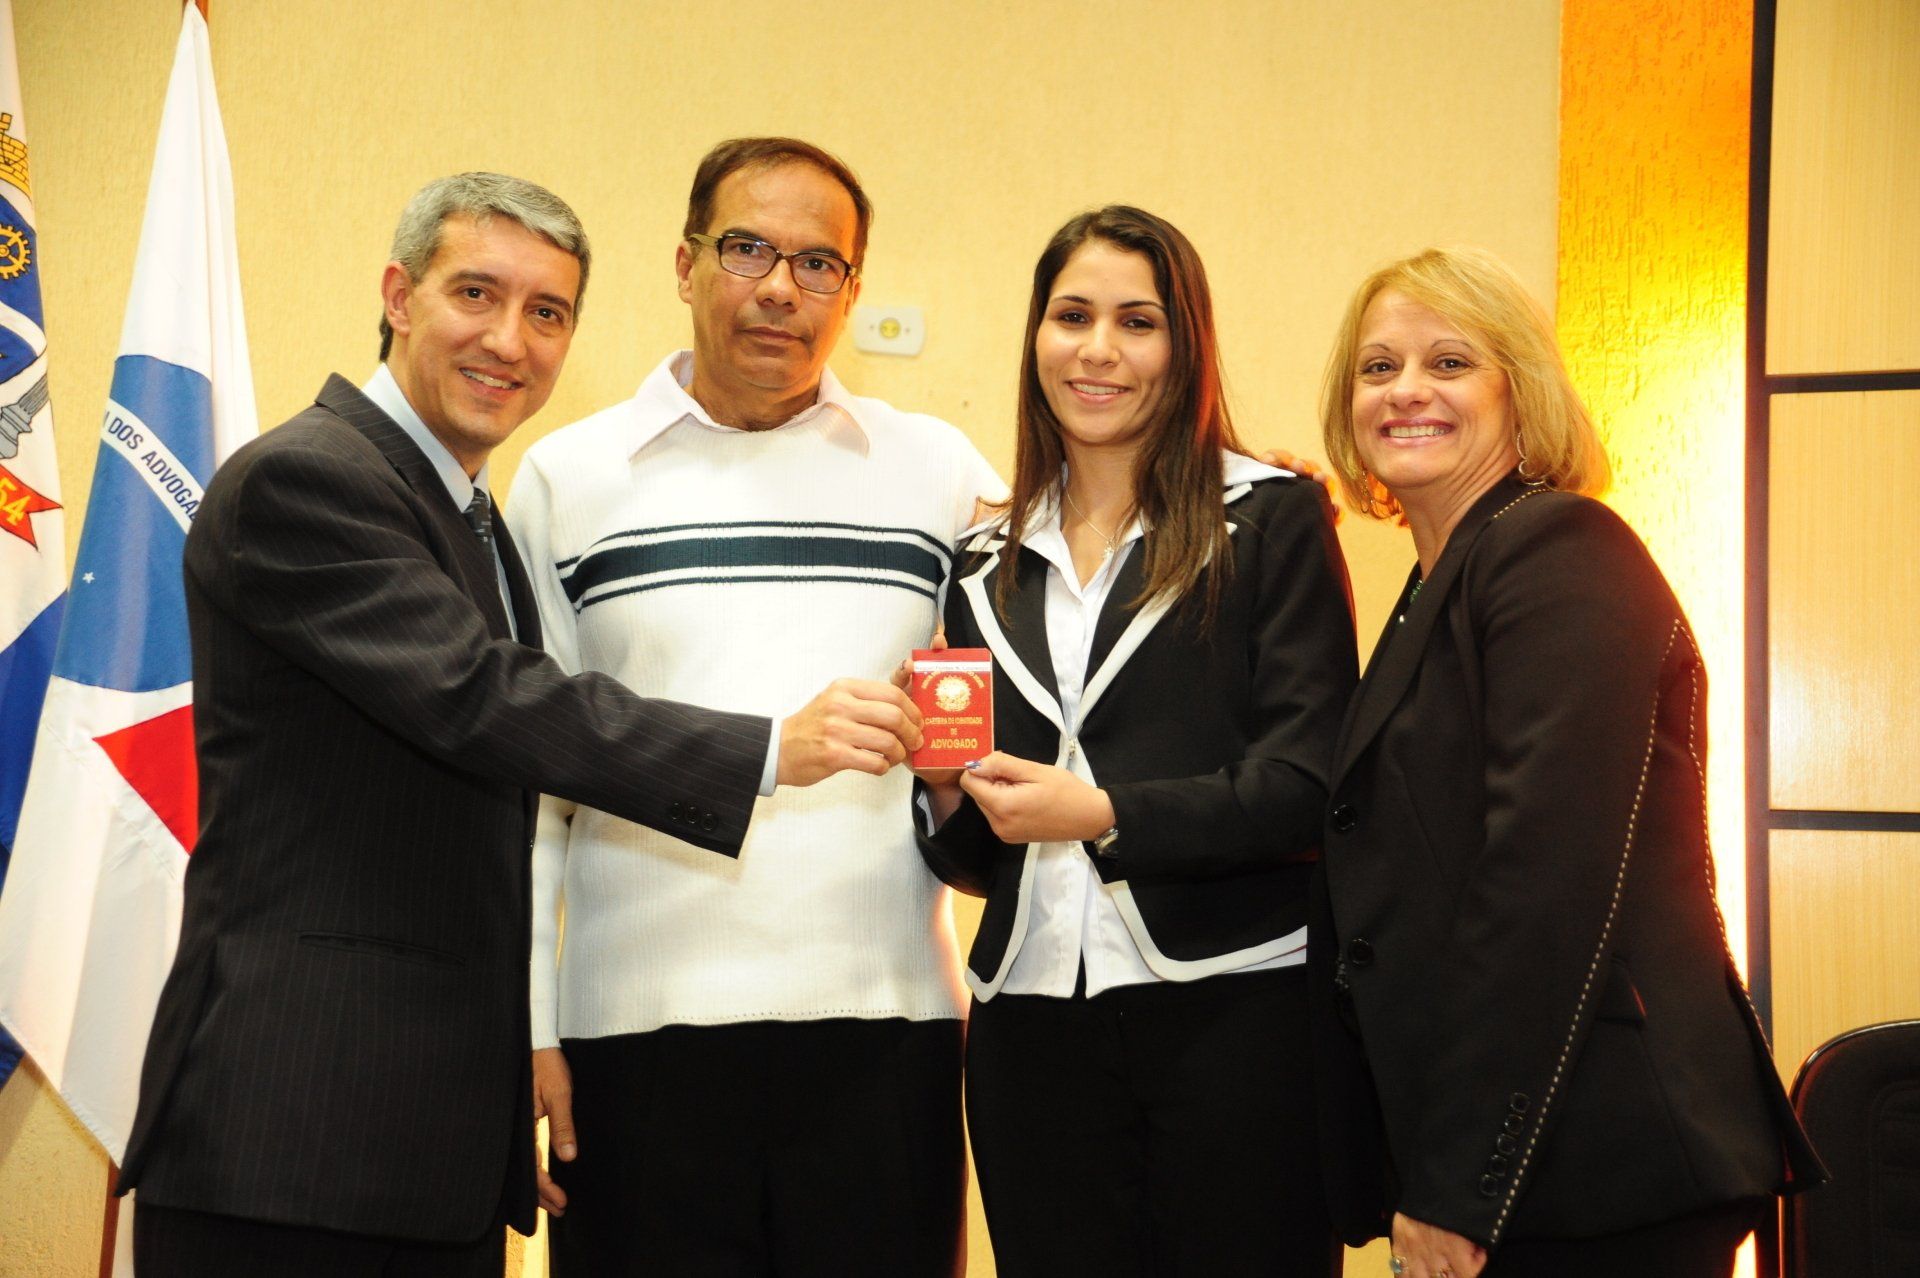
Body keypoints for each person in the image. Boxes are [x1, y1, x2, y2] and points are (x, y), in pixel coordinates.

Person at [119, 172, 921, 1278]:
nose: (510, 340)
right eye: (476, 294)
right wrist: (771, 749)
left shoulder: (468, 515)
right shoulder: (308, 479)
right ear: (397, 295)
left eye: (547, 312)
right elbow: (483, 699)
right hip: (292, 1135)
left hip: (425, 1148)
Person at [508, 138, 1004, 1276]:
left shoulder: (936, 471)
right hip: (632, 1036)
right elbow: (532, 782)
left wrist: (1246, 490)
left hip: (887, 1030)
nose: (781, 288)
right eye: (747, 250)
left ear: (852, 292)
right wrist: (529, 1023)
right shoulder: (567, 478)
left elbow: (1086, 573)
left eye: (818, 263)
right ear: (685, 264)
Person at [1313, 246, 1825, 1278]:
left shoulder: (1558, 548)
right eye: (1378, 368)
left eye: (1450, 362)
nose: (1406, 389)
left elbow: (1542, 885)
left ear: (1522, 392)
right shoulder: (1442, 581)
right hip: (1527, 1170)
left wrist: (1456, 1190)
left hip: (1602, 1165)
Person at [914, 205, 1358, 1277]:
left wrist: (1106, 814)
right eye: (1072, 316)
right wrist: (943, 792)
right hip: (1029, 1026)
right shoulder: (980, 557)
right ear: (1036, 336)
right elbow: (981, 857)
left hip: (1234, 1008)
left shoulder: (1275, 517)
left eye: (1137, 321)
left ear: (1185, 343)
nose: (1098, 350)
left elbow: (1308, 784)